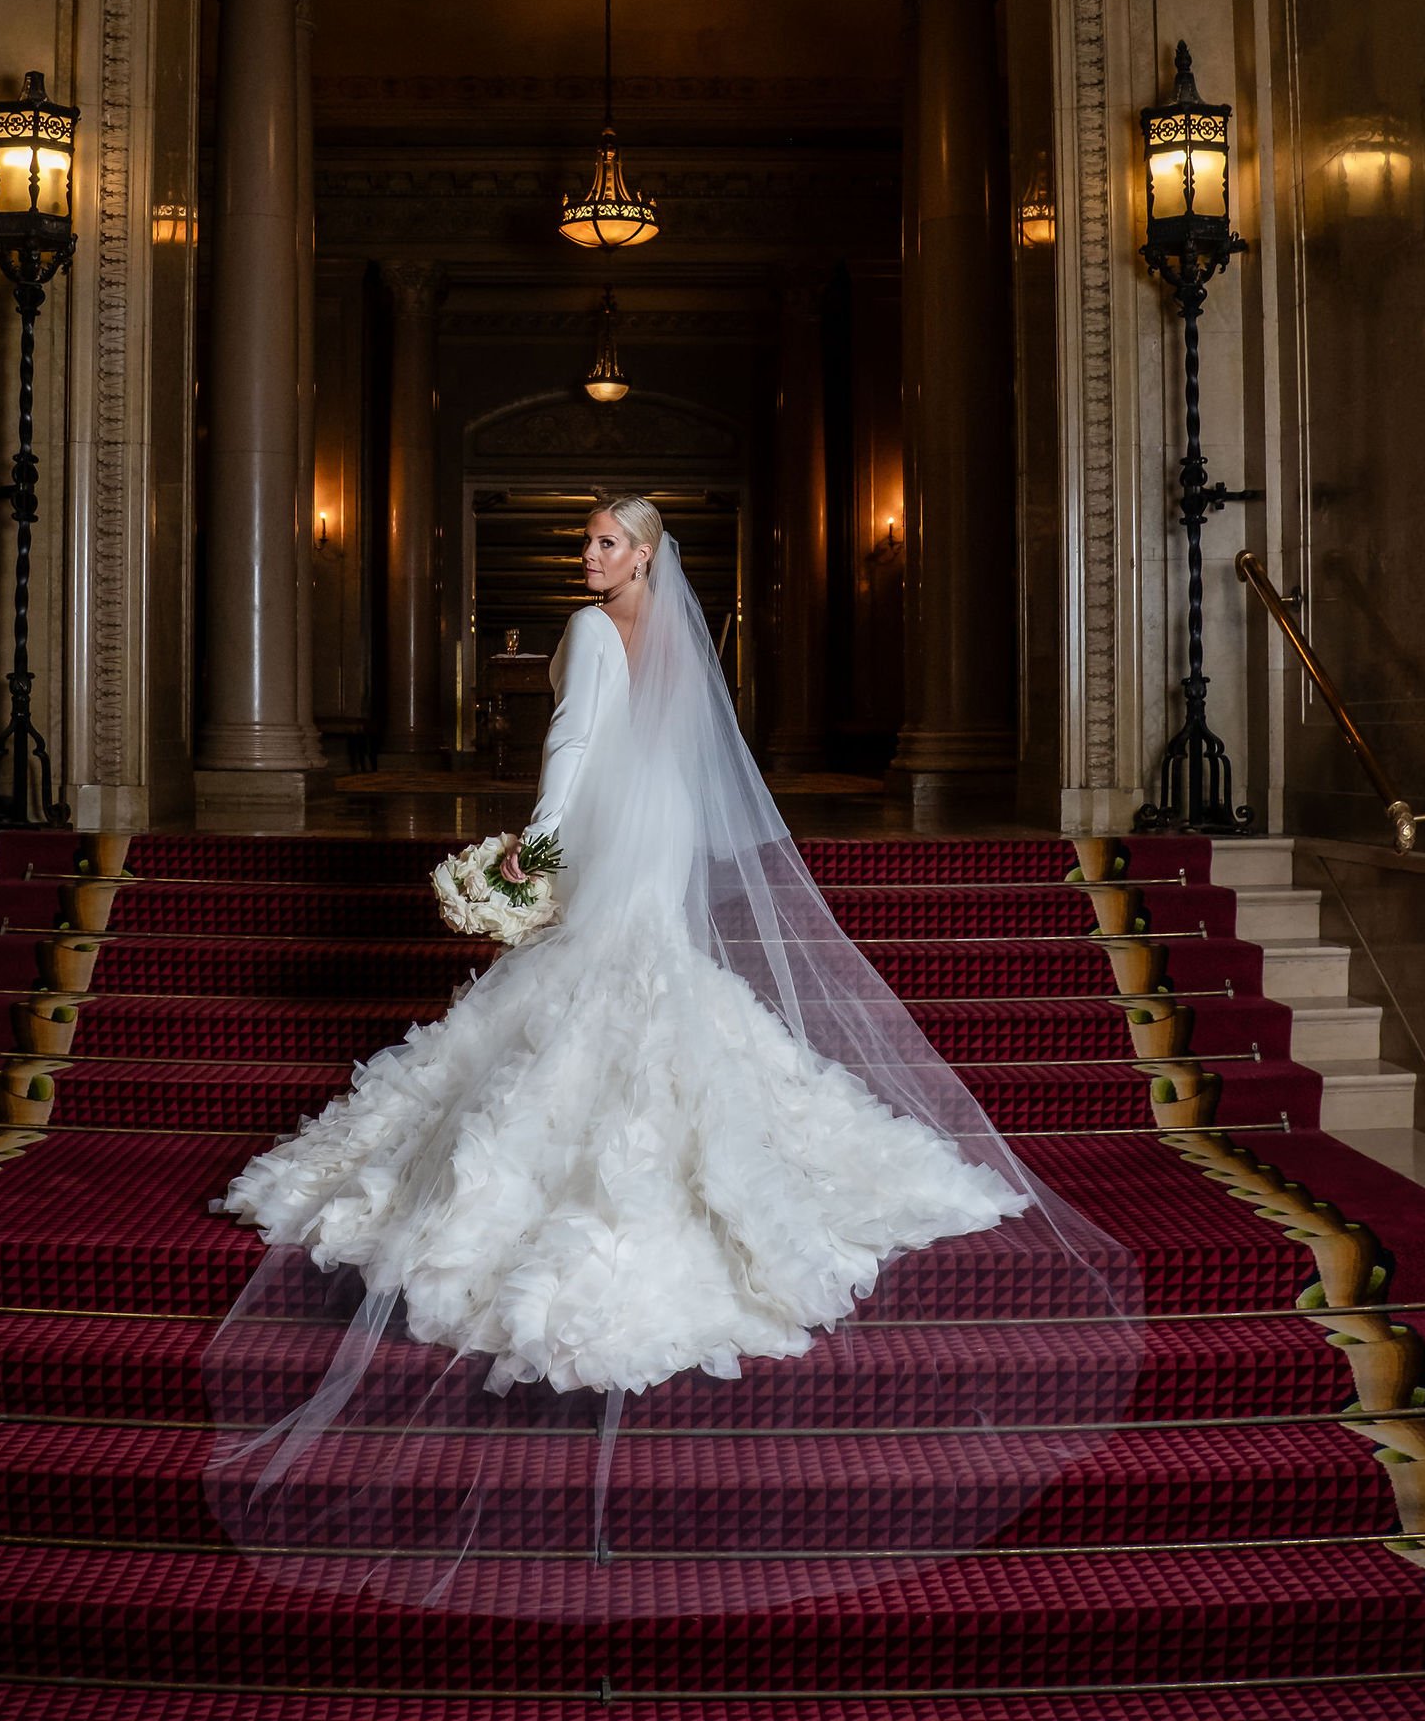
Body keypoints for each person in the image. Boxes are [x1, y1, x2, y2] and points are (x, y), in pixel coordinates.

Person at [212, 493, 1032, 1396]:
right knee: (647, 965)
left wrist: (543, 833)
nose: (591, 557)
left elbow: (573, 736)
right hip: (663, 816)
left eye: (607, 544)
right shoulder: (682, 635)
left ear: (643, 556)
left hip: (609, 816)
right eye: (588, 543)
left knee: (595, 970)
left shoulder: (592, 627)